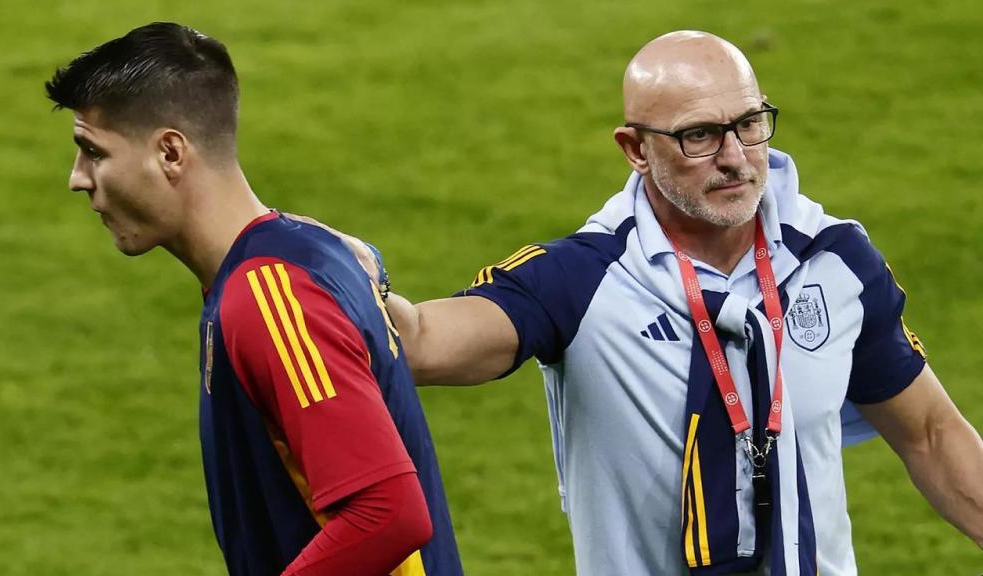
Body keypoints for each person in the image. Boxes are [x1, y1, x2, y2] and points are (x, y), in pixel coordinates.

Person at [351, 30, 983, 574]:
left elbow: (930, 434)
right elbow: (422, 341)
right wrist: (334, 267)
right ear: (635, 149)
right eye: (700, 136)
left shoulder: (832, 262)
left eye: (749, 125)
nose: (736, 158)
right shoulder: (583, 279)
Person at [45, 22, 462, 576]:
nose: (78, 179)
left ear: (171, 152)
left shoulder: (270, 296)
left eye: (93, 152)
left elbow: (387, 514)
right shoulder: (300, 252)